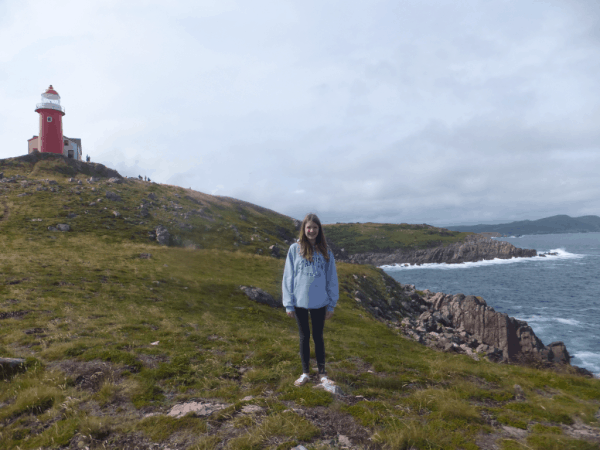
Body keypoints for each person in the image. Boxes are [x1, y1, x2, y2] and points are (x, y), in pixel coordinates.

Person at [282, 213, 339, 387]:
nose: (312, 230)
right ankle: (305, 373)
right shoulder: (294, 249)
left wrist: (331, 303)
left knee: (318, 337)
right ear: (304, 229)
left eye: (315, 227)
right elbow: (288, 277)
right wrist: (288, 303)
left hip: (320, 302)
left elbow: (332, 279)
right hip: (298, 301)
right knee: (304, 337)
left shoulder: (326, 251)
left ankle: (322, 373)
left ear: (319, 229)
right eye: (309, 227)